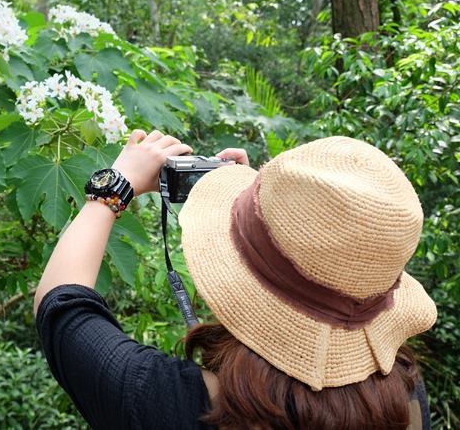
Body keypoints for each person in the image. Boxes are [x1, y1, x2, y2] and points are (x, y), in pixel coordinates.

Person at [34, 130, 437, 429]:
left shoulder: (166, 402)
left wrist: (114, 186)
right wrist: (279, 215)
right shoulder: (404, 398)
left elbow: (62, 308)